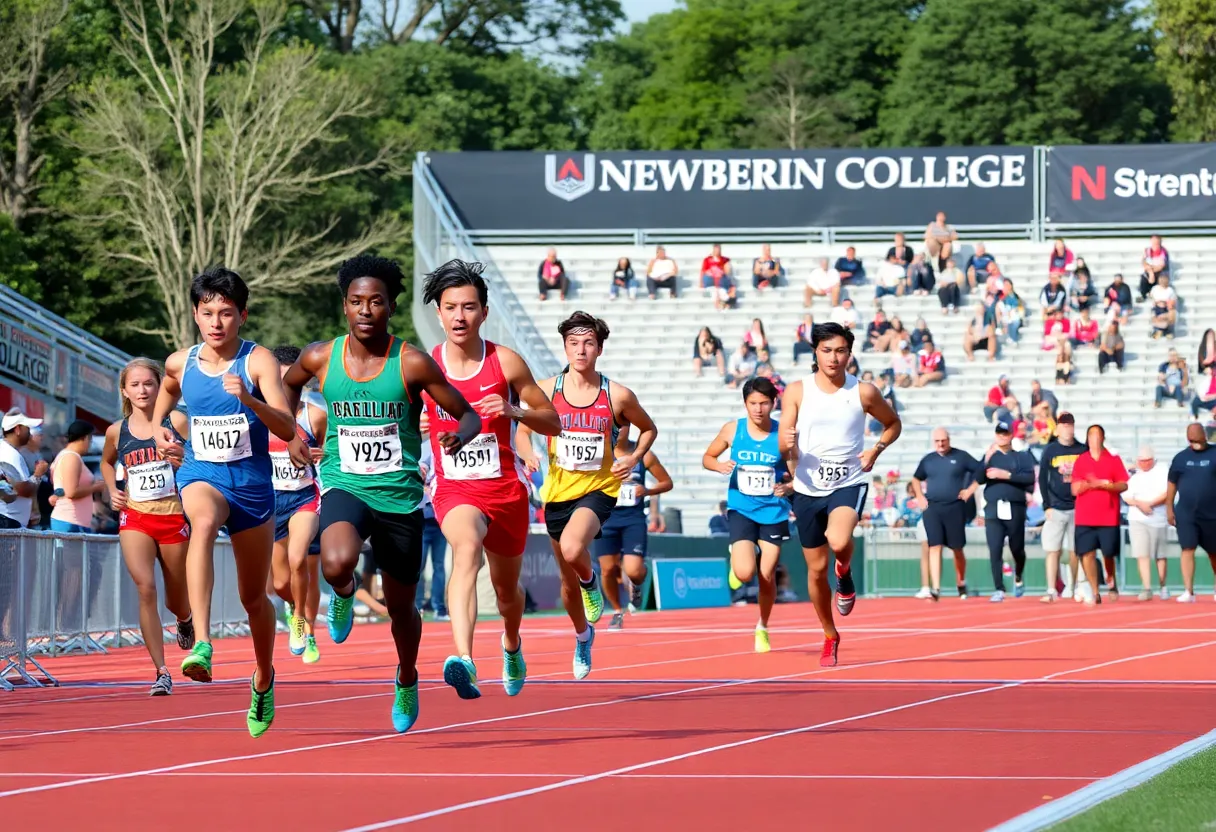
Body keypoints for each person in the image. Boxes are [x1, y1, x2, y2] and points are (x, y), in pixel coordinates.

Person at [284, 255, 480, 733]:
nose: (366, 310)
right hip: (345, 483)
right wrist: (291, 433)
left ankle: (407, 676)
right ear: (344, 306)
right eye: (356, 301)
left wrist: (461, 436)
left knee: (400, 609)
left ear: (391, 307)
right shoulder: (320, 357)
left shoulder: (411, 362)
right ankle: (344, 591)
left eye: (376, 301)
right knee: (335, 562)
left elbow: (468, 414)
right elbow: (286, 386)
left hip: (400, 497)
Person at [151, 266, 300, 738]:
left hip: (252, 486)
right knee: (201, 521)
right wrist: (158, 427)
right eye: (208, 312)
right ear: (196, 314)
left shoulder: (258, 362)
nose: (216, 322)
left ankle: (264, 677)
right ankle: (203, 643)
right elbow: (167, 390)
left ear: (243, 316)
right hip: (202, 474)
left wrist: (251, 401)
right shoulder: (181, 362)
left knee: (254, 598)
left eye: (227, 313)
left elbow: (287, 427)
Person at [419, 259, 562, 701]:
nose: (459, 316)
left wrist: (514, 410)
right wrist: (416, 427)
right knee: (464, 550)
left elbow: (553, 421)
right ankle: (463, 658)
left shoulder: (506, 362)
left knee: (506, 594)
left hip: (504, 490)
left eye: (468, 307)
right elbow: (396, 421)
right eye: (450, 308)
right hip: (454, 488)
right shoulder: (424, 366)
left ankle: (511, 643)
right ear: (438, 313)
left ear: (484, 312)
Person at [516, 311, 658, 680]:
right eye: (574, 343)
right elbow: (522, 429)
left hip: (599, 489)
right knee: (567, 584)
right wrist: (527, 453)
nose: (581, 350)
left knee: (572, 548)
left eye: (588, 343)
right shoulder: (546, 390)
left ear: (599, 349)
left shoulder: (618, 395)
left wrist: (633, 458)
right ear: (565, 347)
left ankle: (590, 580)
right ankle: (583, 636)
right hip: (557, 492)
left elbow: (648, 429)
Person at [779, 322, 900, 667]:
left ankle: (844, 572)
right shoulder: (797, 391)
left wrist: (875, 449)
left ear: (850, 353)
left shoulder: (863, 392)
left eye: (841, 351)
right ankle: (829, 634)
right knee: (816, 571)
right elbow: (784, 442)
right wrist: (788, 447)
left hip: (848, 482)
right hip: (807, 488)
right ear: (815, 353)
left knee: (838, 539)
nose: (833, 358)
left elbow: (893, 424)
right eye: (827, 351)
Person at [99, 359, 193, 695]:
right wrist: (112, 489)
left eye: (149, 384)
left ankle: (184, 619)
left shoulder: (176, 420)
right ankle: (161, 671)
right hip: (136, 517)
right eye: (135, 385)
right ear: (125, 391)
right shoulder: (116, 431)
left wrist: (182, 459)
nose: (142, 390)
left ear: (159, 387)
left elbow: (199, 459)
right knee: (145, 588)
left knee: (176, 598)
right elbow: (107, 462)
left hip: (173, 516)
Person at [703, 378, 794, 652]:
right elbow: (707, 457)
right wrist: (718, 466)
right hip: (742, 508)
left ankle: (762, 626)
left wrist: (788, 487)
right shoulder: (733, 430)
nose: (758, 409)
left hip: (773, 512)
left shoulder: (783, 435)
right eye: (753, 403)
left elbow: (799, 474)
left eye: (764, 403)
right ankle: (739, 557)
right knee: (744, 574)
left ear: (773, 403)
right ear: (745, 403)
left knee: (766, 574)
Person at [268, 345, 326, 665]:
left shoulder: (314, 415)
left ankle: (304, 623)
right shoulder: (259, 416)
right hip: (271, 501)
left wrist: (322, 455)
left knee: (299, 559)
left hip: (305, 497)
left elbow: (335, 452)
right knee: (279, 583)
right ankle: (294, 608)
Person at [594, 434, 673, 628]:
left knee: (634, 571)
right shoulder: (599, 452)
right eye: (616, 425)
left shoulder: (643, 455)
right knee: (608, 569)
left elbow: (667, 482)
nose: (620, 430)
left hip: (633, 519)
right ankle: (617, 611)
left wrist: (646, 491)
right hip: (605, 518)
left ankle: (636, 583)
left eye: (624, 424)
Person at [910, 428, 980, 601]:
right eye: (937, 441)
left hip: (955, 507)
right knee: (934, 546)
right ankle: (936, 588)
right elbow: (916, 478)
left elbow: (981, 470)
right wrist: (920, 496)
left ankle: (961, 581)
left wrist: (970, 490)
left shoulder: (961, 456)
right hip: (933, 508)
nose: (940, 444)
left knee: (957, 548)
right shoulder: (928, 460)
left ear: (949, 439)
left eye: (943, 440)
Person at [976, 420, 1036, 602]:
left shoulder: (1021, 456)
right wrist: (986, 459)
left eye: (1005, 433)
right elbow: (978, 478)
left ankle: (1018, 576)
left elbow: (1029, 479)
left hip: (1015, 506)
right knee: (995, 548)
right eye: (999, 433)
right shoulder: (989, 456)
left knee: (1017, 548)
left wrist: (1006, 475)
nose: (1002, 436)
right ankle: (999, 588)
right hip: (994, 508)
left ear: (1011, 435)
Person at [1070, 424, 1128, 605]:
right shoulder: (1081, 460)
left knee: (1108, 554)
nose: (1094, 439)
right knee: (1086, 553)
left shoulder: (1113, 459)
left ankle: (1111, 579)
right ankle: (1095, 590)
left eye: (1097, 436)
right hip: (1085, 517)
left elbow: (1124, 484)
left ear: (1103, 438)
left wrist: (1106, 485)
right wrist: (1089, 484)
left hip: (1108, 517)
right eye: (1091, 436)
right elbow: (1074, 489)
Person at [1166, 423, 1216, 603]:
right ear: (1188, 439)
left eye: (1199, 438)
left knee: (1214, 552)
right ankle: (1188, 591)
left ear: (1205, 435)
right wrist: (1169, 508)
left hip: (1212, 513)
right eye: (1193, 439)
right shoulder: (1180, 458)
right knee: (1187, 548)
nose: (1196, 442)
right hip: (1186, 513)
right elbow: (1171, 484)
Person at [1038, 413, 1082, 602]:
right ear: (1057, 429)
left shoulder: (1082, 449)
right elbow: (1042, 478)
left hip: (1077, 506)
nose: (1067, 429)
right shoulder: (1050, 450)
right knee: (1052, 549)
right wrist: (1046, 505)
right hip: (1056, 507)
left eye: (1070, 425)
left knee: (1075, 550)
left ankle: (1073, 586)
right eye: (1063, 425)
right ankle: (1051, 589)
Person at [1123, 445, 1170, 601]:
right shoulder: (1133, 475)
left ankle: (1163, 586)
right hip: (1137, 519)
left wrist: (1150, 504)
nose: (1144, 463)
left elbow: (1167, 493)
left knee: (1160, 555)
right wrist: (1140, 504)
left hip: (1158, 518)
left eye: (1147, 460)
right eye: (1141, 461)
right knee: (1142, 554)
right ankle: (1147, 587)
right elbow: (1126, 496)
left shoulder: (1162, 471)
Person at [49, 421, 107, 533]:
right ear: (85, 438)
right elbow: (71, 492)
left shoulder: (66, 456)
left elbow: (61, 488)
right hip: (70, 521)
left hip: (74, 521)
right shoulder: (71, 457)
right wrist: (95, 487)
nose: (90, 444)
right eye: (90, 440)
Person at [0, 409, 49, 529]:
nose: (30, 434)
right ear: (17, 430)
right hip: (9, 521)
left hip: (11, 520)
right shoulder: (9, 454)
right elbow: (22, 490)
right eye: (27, 428)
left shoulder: (8, 451)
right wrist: (38, 474)